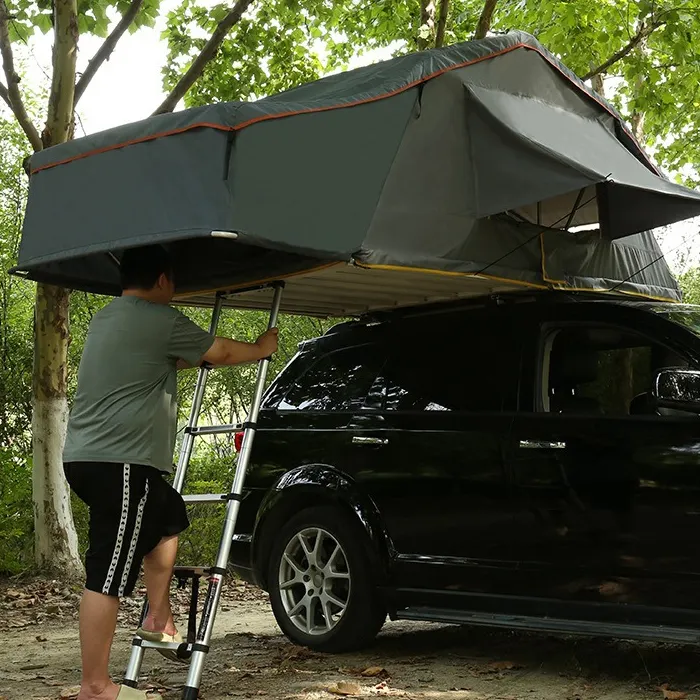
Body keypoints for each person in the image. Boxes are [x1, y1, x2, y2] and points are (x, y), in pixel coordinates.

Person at [62, 245, 279, 700]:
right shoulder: (158, 319)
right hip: (119, 463)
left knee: (168, 516)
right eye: (174, 281)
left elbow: (174, 358)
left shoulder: (109, 317)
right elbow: (217, 351)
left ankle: (158, 618)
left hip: (91, 459)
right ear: (163, 280)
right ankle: (96, 687)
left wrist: (193, 355)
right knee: (107, 572)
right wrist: (261, 348)